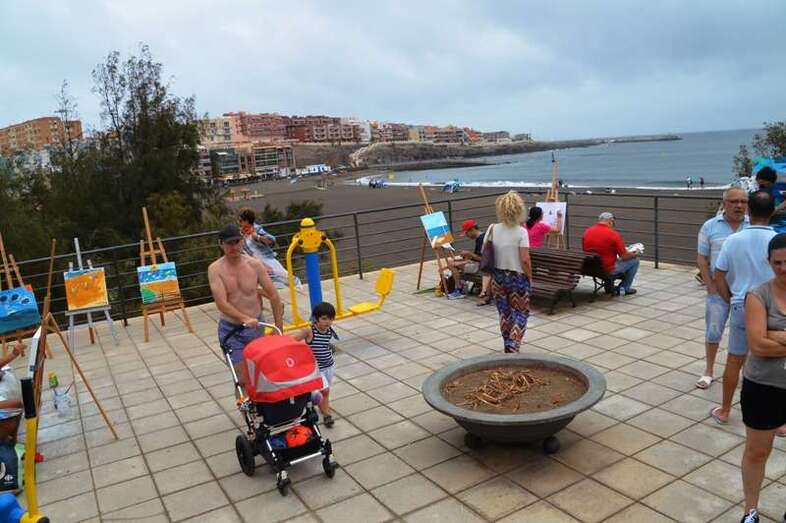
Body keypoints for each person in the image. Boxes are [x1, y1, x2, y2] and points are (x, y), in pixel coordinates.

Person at [710, 191, 776, 426]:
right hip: (774, 308)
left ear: (749, 209)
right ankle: (779, 420)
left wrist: (730, 299)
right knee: (777, 362)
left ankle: (725, 410)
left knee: (734, 360)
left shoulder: (733, 240)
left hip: (742, 304)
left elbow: (718, 276)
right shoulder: (779, 240)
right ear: (773, 211)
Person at [738, 233, 786, 523]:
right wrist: (766, 337)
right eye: (777, 262)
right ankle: (751, 510)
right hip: (763, 387)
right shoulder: (758, 295)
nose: (783, 268)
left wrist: (775, 334)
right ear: (768, 262)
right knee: (757, 451)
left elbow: (765, 339)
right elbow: (757, 346)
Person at [208, 224, 284, 387]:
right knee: (241, 378)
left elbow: (274, 296)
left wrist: (279, 328)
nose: (234, 247)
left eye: (237, 242)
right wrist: (244, 318)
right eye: (229, 243)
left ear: (242, 241)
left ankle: (261, 403)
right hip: (232, 329)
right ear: (221, 244)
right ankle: (244, 402)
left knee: (260, 373)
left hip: (256, 327)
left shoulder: (254, 265)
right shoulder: (215, 269)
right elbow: (221, 303)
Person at [695, 187, 749, 389]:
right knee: (713, 332)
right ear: (724, 203)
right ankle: (708, 371)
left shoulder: (752, 226)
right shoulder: (710, 226)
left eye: (743, 201)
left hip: (745, 292)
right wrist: (710, 286)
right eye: (734, 201)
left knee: (746, 333)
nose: (739, 205)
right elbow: (702, 258)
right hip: (718, 291)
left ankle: (745, 372)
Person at [483, 191, 532, 353]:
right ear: (519, 210)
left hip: (498, 276)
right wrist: (530, 276)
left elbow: (486, 253)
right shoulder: (521, 232)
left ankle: (507, 343)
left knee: (504, 313)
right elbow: (525, 259)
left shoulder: (492, 229)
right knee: (521, 312)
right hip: (517, 277)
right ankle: (513, 342)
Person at [291, 302, 338, 428]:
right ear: (316, 318)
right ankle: (327, 415)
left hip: (329, 366)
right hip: (317, 369)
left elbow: (325, 344)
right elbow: (292, 341)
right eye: (324, 318)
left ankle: (322, 406)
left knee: (326, 392)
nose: (328, 322)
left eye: (331, 319)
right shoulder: (309, 331)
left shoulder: (329, 331)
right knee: (324, 390)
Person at [238, 208, 300, 289]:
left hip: (266, 260)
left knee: (287, 280)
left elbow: (272, 240)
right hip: (253, 263)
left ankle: (297, 291)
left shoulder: (256, 229)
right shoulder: (241, 233)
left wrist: (257, 237)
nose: (239, 223)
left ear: (246, 221)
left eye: (240, 220)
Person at [582, 212, 640, 296]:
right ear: (610, 221)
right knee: (635, 261)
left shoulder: (587, 231)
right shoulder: (613, 234)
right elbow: (624, 256)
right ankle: (624, 288)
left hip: (591, 267)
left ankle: (609, 287)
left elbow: (586, 250)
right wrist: (635, 253)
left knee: (610, 259)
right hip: (607, 269)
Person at [449, 219, 491, 305]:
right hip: (479, 264)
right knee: (453, 262)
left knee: (452, 264)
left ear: (472, 229)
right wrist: (468, 256)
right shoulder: (481, 237)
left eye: (467, 233)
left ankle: (459, 289)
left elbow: (483, 259)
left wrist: (469, 254)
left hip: (481, 266)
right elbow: (477, 256)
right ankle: (461, 285)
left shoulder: (481, 239)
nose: (466, 236)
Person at [754, 166, 786, 233]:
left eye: (762, 182)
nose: (759, 184)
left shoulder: (780, 188)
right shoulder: (757, 190)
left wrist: (778, 208)